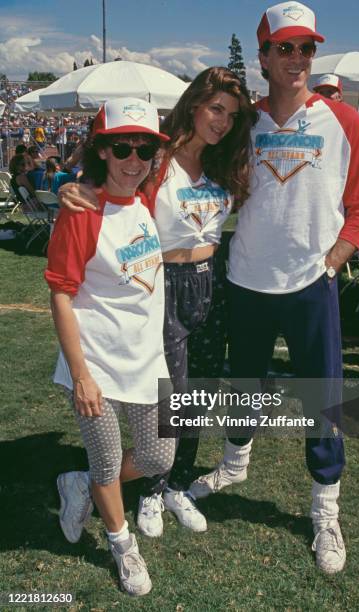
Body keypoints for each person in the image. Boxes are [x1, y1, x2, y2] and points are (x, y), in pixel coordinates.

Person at [189, 1, 359, 575]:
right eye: (285, 48)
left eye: (306, 48)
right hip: (245, 280)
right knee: (245, 384)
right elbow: (183, 161)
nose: (297, 58)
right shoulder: (241, 122)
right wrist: (90, 188)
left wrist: (333, 259)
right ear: (264, 56)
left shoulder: (343, 121)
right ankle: (234, 461)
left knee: (323, 399)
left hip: (310, 286)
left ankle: (325, 507)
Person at [57, 67, 256, 538]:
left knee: (197, 395)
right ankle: (150, 489)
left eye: (231, 114)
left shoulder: (222, 162)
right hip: (165, 283)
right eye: (215, 109)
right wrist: (75, 185)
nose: (223, 121)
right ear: (193, 105)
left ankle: (176, 485)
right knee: (168, 396)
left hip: (214, 281)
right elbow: (113, 188)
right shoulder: (154, 156)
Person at [44, 98, 175, 597]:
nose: (134, 159)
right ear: (102, 150)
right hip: (96, 362)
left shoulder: (147, 195)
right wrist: (81, 375)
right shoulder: (82, 212)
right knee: (108, 462)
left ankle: (80, 484)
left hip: (146, 361)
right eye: (122, 147)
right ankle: (122, 546)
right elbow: (60, 291)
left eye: (144, 149)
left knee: (159, 455)